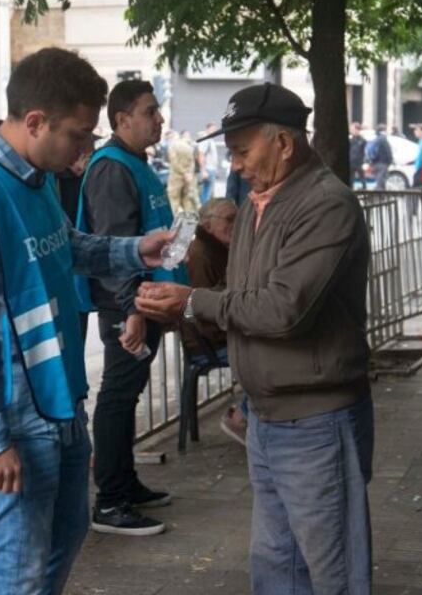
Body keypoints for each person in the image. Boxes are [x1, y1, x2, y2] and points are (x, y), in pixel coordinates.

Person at [0, 47, 175, 595]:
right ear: (34, 122)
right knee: (19, 569)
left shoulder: (38, 177)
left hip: (57, 401)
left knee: (66, 533)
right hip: (11, 418)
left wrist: (134, 251)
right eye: (79, 135)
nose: (85, 150)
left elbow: (64, 248)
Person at [135, 83, 373, 593]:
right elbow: (238, 295)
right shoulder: (258, 204)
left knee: (331, 570)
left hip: (315, 420)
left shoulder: (326, 205)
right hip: (267, 416)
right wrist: (170, 307)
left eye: (243, 151)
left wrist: (193, 302)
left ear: (284, 143)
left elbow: (282, 310)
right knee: (276, 564)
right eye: (230, 153)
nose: (236, 165)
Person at [75, 79, 190, 537]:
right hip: (128, 306)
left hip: (146, 303)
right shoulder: (111, 169)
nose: (159, 118)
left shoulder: (135, 162)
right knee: (119, 397)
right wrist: (132, 310)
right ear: (122, 120)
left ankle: (125, 483)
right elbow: (112, 247)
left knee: (129, 393)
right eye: (149, 111)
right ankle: (111, 501)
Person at [178, 198, 244, 444]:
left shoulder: (224, 249)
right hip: (208, 341)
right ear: (207, 226)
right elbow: (198, 311)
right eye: (229, 219)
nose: (236, 225)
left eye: (238, 218)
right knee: (268, 354)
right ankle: (241, 417)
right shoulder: (201, 255)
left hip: (226, 331)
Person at [167, 131, 200, 213]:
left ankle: (172, 222)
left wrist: (183, 172)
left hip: (176, 177)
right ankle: (188, 223)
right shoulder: (190, 146)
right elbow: (192, 161)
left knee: (173, 200)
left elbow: (173, 161)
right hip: (188, 177)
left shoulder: (173, 146)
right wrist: (189, 173)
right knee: (187, 201)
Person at [196, 123, 220, 204]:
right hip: (208, 170)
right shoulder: (206, 140)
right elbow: (201, 154)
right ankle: (204, 213)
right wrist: (203, 171)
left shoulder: (210, 140)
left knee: (209, 193)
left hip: (211, 170)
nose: (215, 131)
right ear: (208, 129)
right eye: (213, 129)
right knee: (206, 193)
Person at [366, 123, 393, 189]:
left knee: (380, 181)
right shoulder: (383, 139)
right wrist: (390, 161)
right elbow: (388, 152)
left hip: (375, 163)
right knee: (381, 182)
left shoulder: (376, 139)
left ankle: (380, 195)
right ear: (383, 130)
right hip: (382, 163)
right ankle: (379, 196)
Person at [349, 121, 368, 189]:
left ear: (357, 130)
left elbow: (364, 152)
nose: (351, 131)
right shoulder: (350, 139)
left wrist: (364, 161)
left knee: (362, 178)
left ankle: (364, 190)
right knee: (351, 179)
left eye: (352, 129)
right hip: (351, 162)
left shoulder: (362, 140)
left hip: (359, 162)